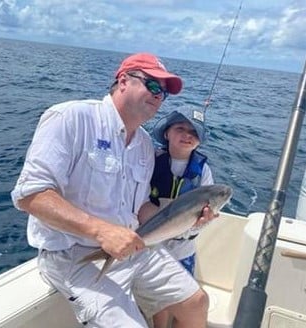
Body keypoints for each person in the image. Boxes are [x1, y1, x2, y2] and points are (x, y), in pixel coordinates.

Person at [11, 52, 214, 328]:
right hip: (74, 256)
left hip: (133, 247)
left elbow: (142, 207)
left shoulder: (144, 145)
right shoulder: (70, 117)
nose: (158, 95)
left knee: (196, 302)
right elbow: (30, 195)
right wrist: (101, 231)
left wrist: (187, 222)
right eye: (152, 85)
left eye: (163, 92)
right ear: (122, 81)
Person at [141, 109, 214, 327]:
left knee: (185, 303)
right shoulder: (151, 161)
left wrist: (196, 226)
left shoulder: (204, 171)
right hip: (153, 247)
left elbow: (206, 215)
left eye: (194, 132)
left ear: (199, 141)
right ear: (166, 133)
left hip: (185, 250)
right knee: (160, 305)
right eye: (180, 128)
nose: (187, 134)